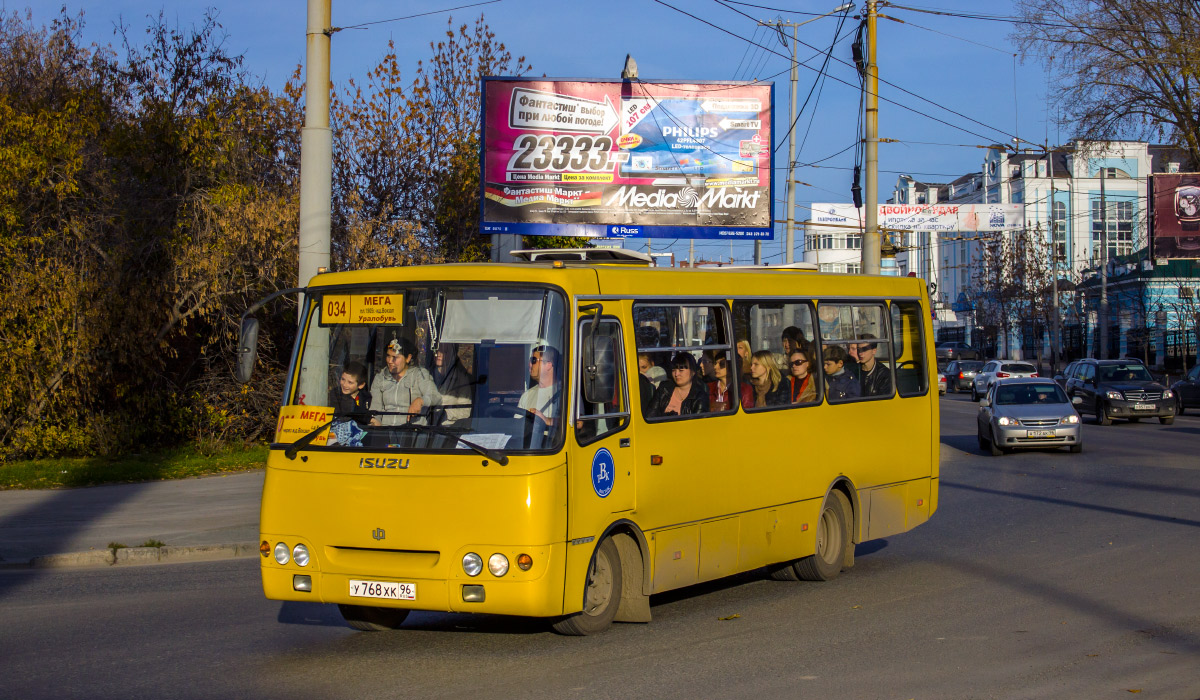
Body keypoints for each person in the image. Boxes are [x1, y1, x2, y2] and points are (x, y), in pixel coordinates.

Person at [370, 337, 441, 426]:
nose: (390, 361)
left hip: (412, 432)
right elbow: (375, 409)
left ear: (408, 358)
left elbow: (436, 397)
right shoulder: (380, 378)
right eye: (388, 356)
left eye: (395, 357)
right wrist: (374, 424)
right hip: (386, 432)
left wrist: (420, 401)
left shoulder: (419, 374)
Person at [648, 352, 710, 417]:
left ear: (693, 372)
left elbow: (696, 423)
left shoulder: (700, 396)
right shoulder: (664, 388)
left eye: (681, 370)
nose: (676, 374)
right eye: (673, 370)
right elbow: (650, 415)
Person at [518, 345, 561, 426]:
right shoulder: (526, 395)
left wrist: (546, 420)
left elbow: (578, 423)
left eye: (533, 360)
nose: (530, 364)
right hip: (531, 439)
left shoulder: (568, 393)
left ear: (548, 364)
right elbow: (517, 424)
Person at [431, 343, 472, 426]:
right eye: (437, 351)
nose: (439, 354)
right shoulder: (425, 376)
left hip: (449, 429)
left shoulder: (461, 379)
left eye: (444, 352)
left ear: (452, 354)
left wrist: (445, 414)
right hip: (424, 428)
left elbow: (466, 410)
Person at [332, 360, 371, 425]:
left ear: (361, 385)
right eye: (343, 379)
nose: (344, 384)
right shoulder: (335, 394)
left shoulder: (366, 397)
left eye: (350, 382)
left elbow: (363, 413)